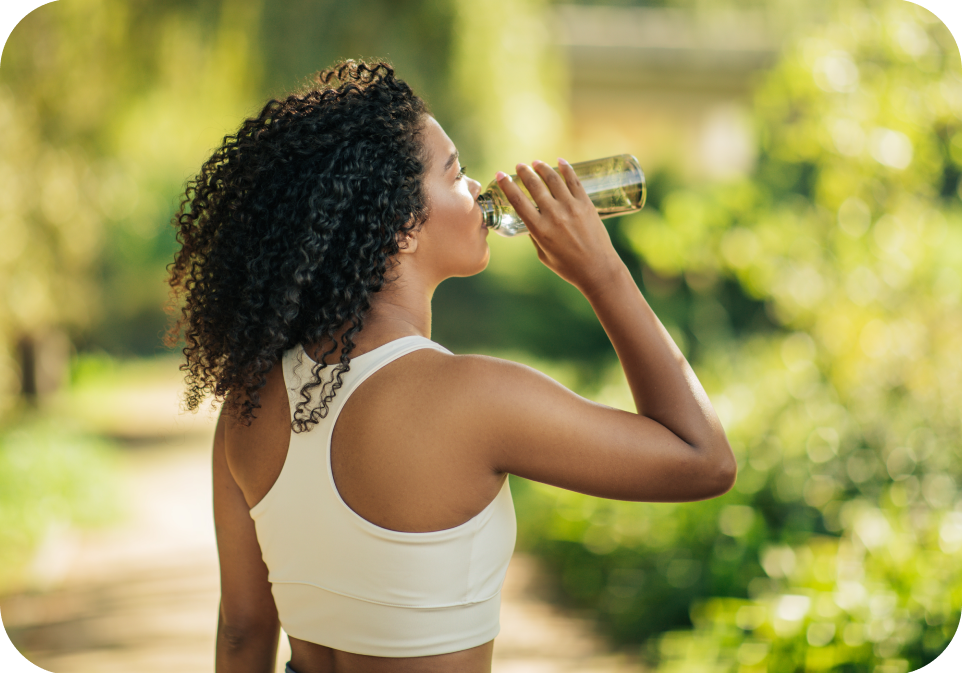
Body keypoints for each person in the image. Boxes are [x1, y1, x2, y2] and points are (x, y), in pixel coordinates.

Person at [166, 59, 736, 673]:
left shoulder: (250, 402)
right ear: (401, 226)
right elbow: (703, 461)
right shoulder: (471, 397)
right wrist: (603, 274)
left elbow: (242, 634)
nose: (478, 188)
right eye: (456, 172)